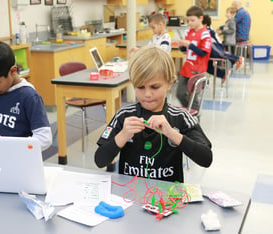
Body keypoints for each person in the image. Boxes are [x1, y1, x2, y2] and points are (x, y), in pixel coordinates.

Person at [94, 46, 213, 183]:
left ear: (170, 84)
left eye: (155, 87)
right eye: (140, 87)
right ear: (133, 84)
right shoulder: (124, 115)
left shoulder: (181, 117)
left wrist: (172, 134)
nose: (147, 94)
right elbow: (100, 160)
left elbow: (206, 159)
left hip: (167, 198)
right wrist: (123, 135)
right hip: (130, 195)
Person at [0, 40, 52, 151]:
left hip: (19, 161)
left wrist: (15, 151)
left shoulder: (28, 96)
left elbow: (44, 137)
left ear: (13, 71)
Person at [176, 6, 212, 110]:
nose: (190, 23)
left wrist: (190, 44)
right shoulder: (189, 32)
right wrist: (182, 46)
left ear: (201, 18)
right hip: (186, 69)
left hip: (197, 71)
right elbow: (186, 51)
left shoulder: (205, 34)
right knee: (180, 94)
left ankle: (194, 119)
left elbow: (203, 53)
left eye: (192, 20)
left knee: (193, 97)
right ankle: (188, 113)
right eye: (188, 20)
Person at [203, 14, 242, 81]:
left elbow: (217, 48)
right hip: (211, 49)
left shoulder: (208, 31)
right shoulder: (206, 30)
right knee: (206, 66)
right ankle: (223, 74)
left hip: (217, 47)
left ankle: (237, 58)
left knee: (220, 54)